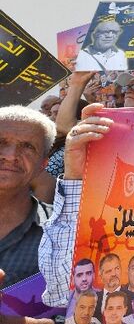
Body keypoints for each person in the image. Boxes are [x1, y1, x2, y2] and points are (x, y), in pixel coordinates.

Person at [0, 106, 55, 287]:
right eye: (1, 142)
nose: (10, 156)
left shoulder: (61, 234)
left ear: (43, 164)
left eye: (28, 147)